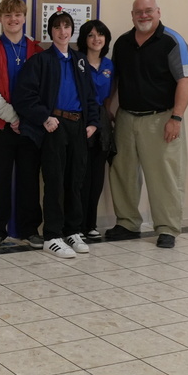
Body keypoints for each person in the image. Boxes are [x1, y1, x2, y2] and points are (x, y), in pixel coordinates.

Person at [105, 0, 188, 249]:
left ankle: (167, 228)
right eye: (138, 12)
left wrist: (176, 117)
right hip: (126, 117)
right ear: (132, 15)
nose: (143, 16)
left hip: (162, 118)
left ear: (158, 12)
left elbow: (185, 81)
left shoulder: (172, 41)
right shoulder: (122, 42)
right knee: (123, 172)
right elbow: (115, 80)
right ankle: (127, 222)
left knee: (164, 175)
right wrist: (108, 107)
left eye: (148, 11)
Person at [13, 12, 99, 258]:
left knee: (75, 180)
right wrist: (44, 117)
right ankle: (52, 234)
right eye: (57, 27)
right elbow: (24, 96)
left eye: (67, 27)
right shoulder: (40, 61)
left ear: (72, 31)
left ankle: (72, 230)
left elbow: (90, 96)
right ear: (50, 32)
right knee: (55, 181)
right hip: (54, 126)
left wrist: (92, 123)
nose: (63, 32)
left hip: (79, 127)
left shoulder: (80, 61)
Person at [0, 0, 44, 250]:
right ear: (0, 19)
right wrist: (14, 118)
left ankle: (30, 230)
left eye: (17, 15)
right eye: (7, 16)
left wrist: (28, 119)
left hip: (30, 128)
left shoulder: (37, 50)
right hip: (2, 126)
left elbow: (43, 91)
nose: (13, 19)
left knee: (29, 179)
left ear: (24, 17)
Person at [76, 20, 116, 242]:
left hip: (101, 121)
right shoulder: (77, 62)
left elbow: (110, 94)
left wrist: (107, 112)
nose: (96, 39)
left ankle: (91, 223)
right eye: (91, 35)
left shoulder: (109, 65)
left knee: (97, 176)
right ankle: (77, 224)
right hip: (81, 119)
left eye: (100, 35)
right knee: (80, 175)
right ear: (84, 39)